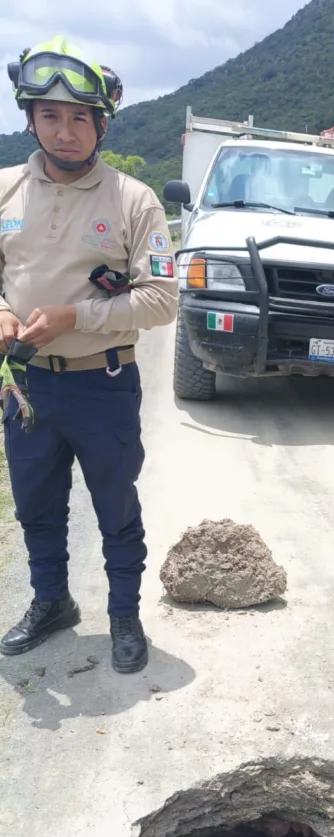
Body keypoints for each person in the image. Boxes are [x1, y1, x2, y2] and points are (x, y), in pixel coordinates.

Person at [0, 37, 178, 673]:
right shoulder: (5, 190)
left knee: (115, 506)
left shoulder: (134, 201)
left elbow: (162, 300)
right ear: (29, 118)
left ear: (102, 123)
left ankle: (124, 614)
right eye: (50, 115)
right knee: (36, 505)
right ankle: (52, 602)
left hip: (103, 383)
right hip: (27, 387)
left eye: (80, 117)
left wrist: (77, 317)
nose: (65, 131)